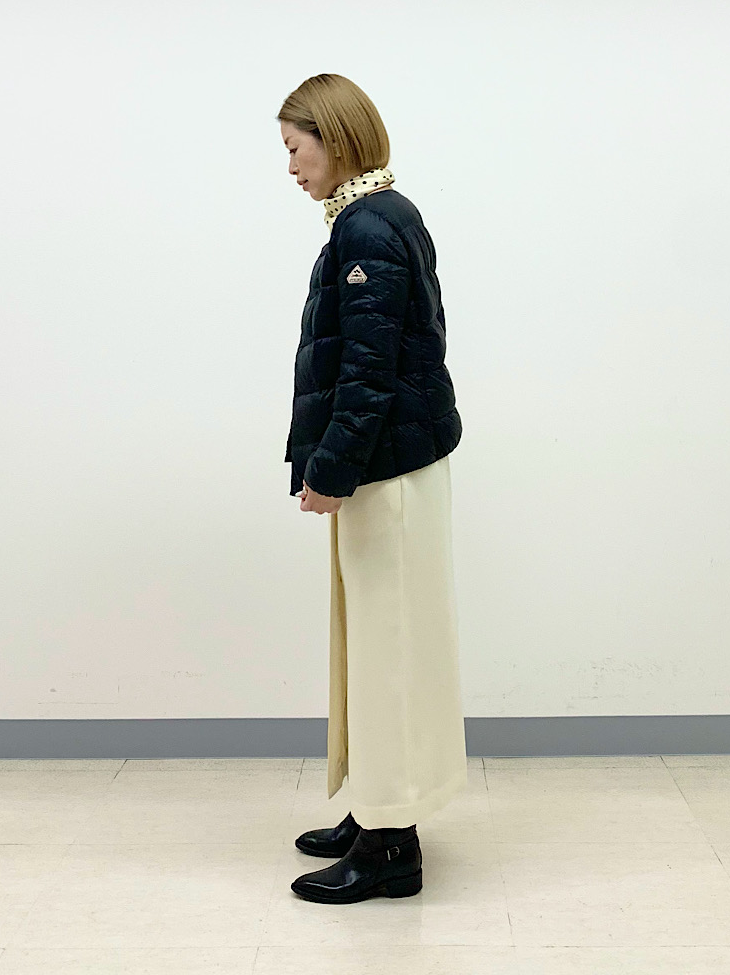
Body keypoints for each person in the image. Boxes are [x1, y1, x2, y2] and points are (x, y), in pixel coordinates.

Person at [277, 73, 467, 905]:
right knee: (380, 643)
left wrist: (331, 467)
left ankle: (391, 845)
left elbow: (369, 370)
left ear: (336, 138)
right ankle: (380, 807)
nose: (291, 167)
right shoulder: (380, 214)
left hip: (386, 470)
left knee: (388, 650)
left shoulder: (368, 226)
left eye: (296, 148)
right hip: (393, 465)